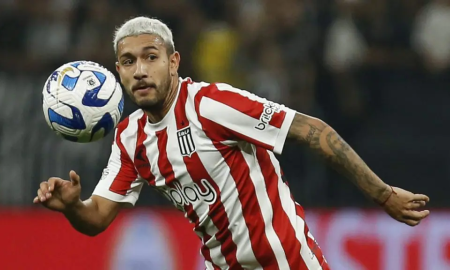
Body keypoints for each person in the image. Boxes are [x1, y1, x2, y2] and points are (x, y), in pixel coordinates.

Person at [33, 17, 430, 270]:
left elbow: (313, 131)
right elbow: (98, 216)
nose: (140, 70)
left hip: (286, 263)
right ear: (117, 72)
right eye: (129, 61)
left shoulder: (212, 104)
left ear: (173, 62)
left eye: (150, 57)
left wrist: (382, 195)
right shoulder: (130, 137)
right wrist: (72, 208)